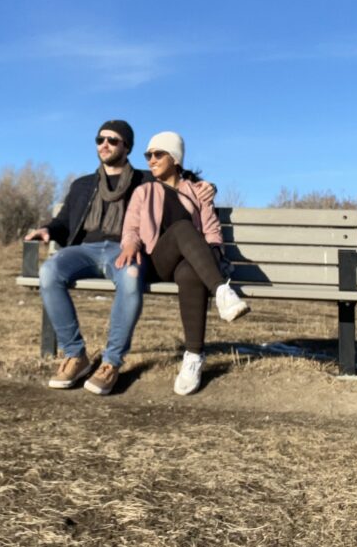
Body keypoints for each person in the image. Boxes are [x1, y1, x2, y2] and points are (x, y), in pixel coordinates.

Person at [25, 120, 215, 396]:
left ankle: (111, 362)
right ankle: (75, 355)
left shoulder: (144, 179)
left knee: (131, 276)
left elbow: (181, 182)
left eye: (113, 140)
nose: (105, 144)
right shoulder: (82, 185)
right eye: (100, 139)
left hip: (126, 250)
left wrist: (209, 186)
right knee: (49, 272)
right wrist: (47, 229)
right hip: (85, 251)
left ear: (126, 147)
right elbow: (63, 221)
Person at [118, 131, 249, 396]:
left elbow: (212, 232)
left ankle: (193, 357)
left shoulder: (198, 191)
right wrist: (130, 243)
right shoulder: (144, 191)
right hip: (158, 261)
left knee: (191, 273)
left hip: (188, 265)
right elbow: (130, 227)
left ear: (175, 158)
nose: (151, 160)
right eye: (148, 155)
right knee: (181, 228)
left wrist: (214, 254)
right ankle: (222, 291)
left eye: (157, 154)